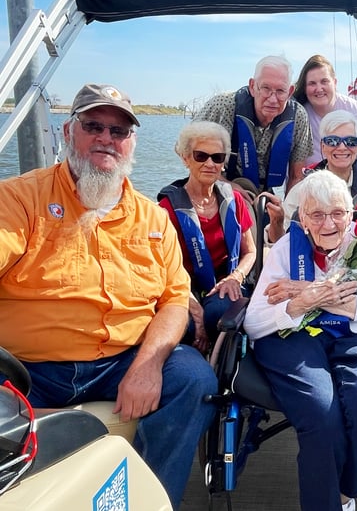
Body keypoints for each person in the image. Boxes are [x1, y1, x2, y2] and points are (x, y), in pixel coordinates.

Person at [0, 83, 217, 508]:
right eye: (93, 126)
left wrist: (148, 365)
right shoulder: (20, 199)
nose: (106, 139)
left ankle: (152, 497)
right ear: (68, 132)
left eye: (119, 131)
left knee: (194, 378)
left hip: (120, 361)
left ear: (131, 142)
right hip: (31, 370)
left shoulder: (153, 218)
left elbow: (175, 299)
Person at [244, 170, 357, 511]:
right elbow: (254, 323)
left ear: (351, 213)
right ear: (302, 218)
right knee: (320, 411)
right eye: (317, 214)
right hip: (296, 336)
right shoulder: (287, 248)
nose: (328, 223)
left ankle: (346, 492)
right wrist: (300, 303)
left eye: (337, 213)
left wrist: (321, 295)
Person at [158, 121, 257, 352]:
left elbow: (250, 251)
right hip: (182, 288)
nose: (210, 163)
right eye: (201, 156)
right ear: (185, 158)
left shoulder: (235, 201)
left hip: (226, 284)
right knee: (187, 325)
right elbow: (164, 270)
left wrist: (236, 277)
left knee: (219, 311)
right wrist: (196, 311)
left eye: (218, 157)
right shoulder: (165, 210)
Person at [265, 110, 357, 243]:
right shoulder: (302, 189)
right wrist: (277, 221)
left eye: (350, 141)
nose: (341, 147)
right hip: (310, 260)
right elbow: (279, 241)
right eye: (332, 141)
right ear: (322, 146)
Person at [194, 55, 313, 194]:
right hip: (217, 187)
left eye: (280, 91)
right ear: (252, 86)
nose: (273, 99)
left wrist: (286, 211)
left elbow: (296, 176)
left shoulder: (298, 117)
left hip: (264, 194)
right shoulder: (222, 106)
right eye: (265, 88)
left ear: (290, 92)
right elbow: (185, 151)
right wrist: (226, 186)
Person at [293, 54, 357, 175]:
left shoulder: (356, 111)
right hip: (310, 185)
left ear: (334, 82)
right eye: (312, 83)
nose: (319, 89)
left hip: (349, 186)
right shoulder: (297, 114)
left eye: (324, 81)